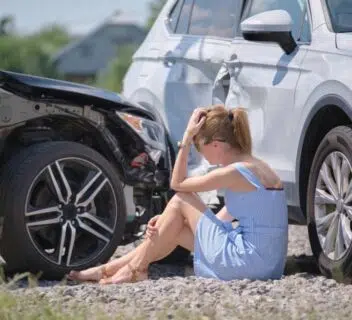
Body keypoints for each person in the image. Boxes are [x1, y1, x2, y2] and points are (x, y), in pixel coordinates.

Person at [68, 104, 288, 284]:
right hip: (266, 266)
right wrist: (167, 220)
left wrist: (187, 136)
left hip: (247, 263)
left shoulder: (235, 172)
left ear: (217, 145)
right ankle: (110, 270)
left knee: (182, 198)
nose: (202, 155)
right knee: (176, 227)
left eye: (200, 148)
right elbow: (220, 222)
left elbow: (178, 183)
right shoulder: (258, 168)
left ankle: (135, 269)